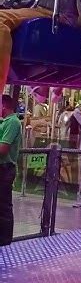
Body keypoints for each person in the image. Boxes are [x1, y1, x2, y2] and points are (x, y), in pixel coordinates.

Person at [0, 94, 22, 245]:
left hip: (5, 169)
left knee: (3, 206)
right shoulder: (4, 122)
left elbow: (3, 148)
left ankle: (5, 241)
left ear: (3, 106)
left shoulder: (13, 122)